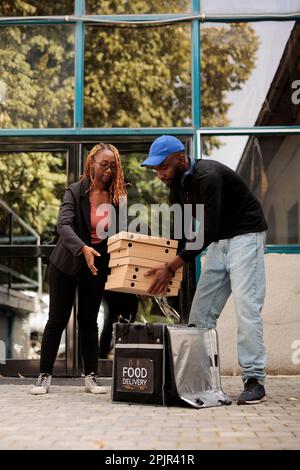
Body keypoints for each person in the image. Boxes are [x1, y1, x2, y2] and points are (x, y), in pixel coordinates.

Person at [141, 135, 268, 405]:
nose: (159, 174)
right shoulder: (176, 186)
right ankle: (196, 379)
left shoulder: (208, 175)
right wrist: (168, 267)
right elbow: (185, 232)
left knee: (247, 308)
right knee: (199, 316)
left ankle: (254, 380)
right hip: (218, 243)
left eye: (163, 166)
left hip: (246, 236)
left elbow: (206, 230)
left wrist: (174, 265)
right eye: (155, 169)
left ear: (181, 159)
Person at [30, 143, 127, 395]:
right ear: (92, 163)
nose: (108, 169)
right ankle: (44, 376)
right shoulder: (75, 191)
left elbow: (119, 234)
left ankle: (91, 377)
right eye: (103, 164)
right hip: (66, 261)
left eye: (113, 165)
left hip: (95, 265)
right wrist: (83, 247)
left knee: (88, 321)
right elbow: (64, 225)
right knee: (57, 319)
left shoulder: (118, 197)